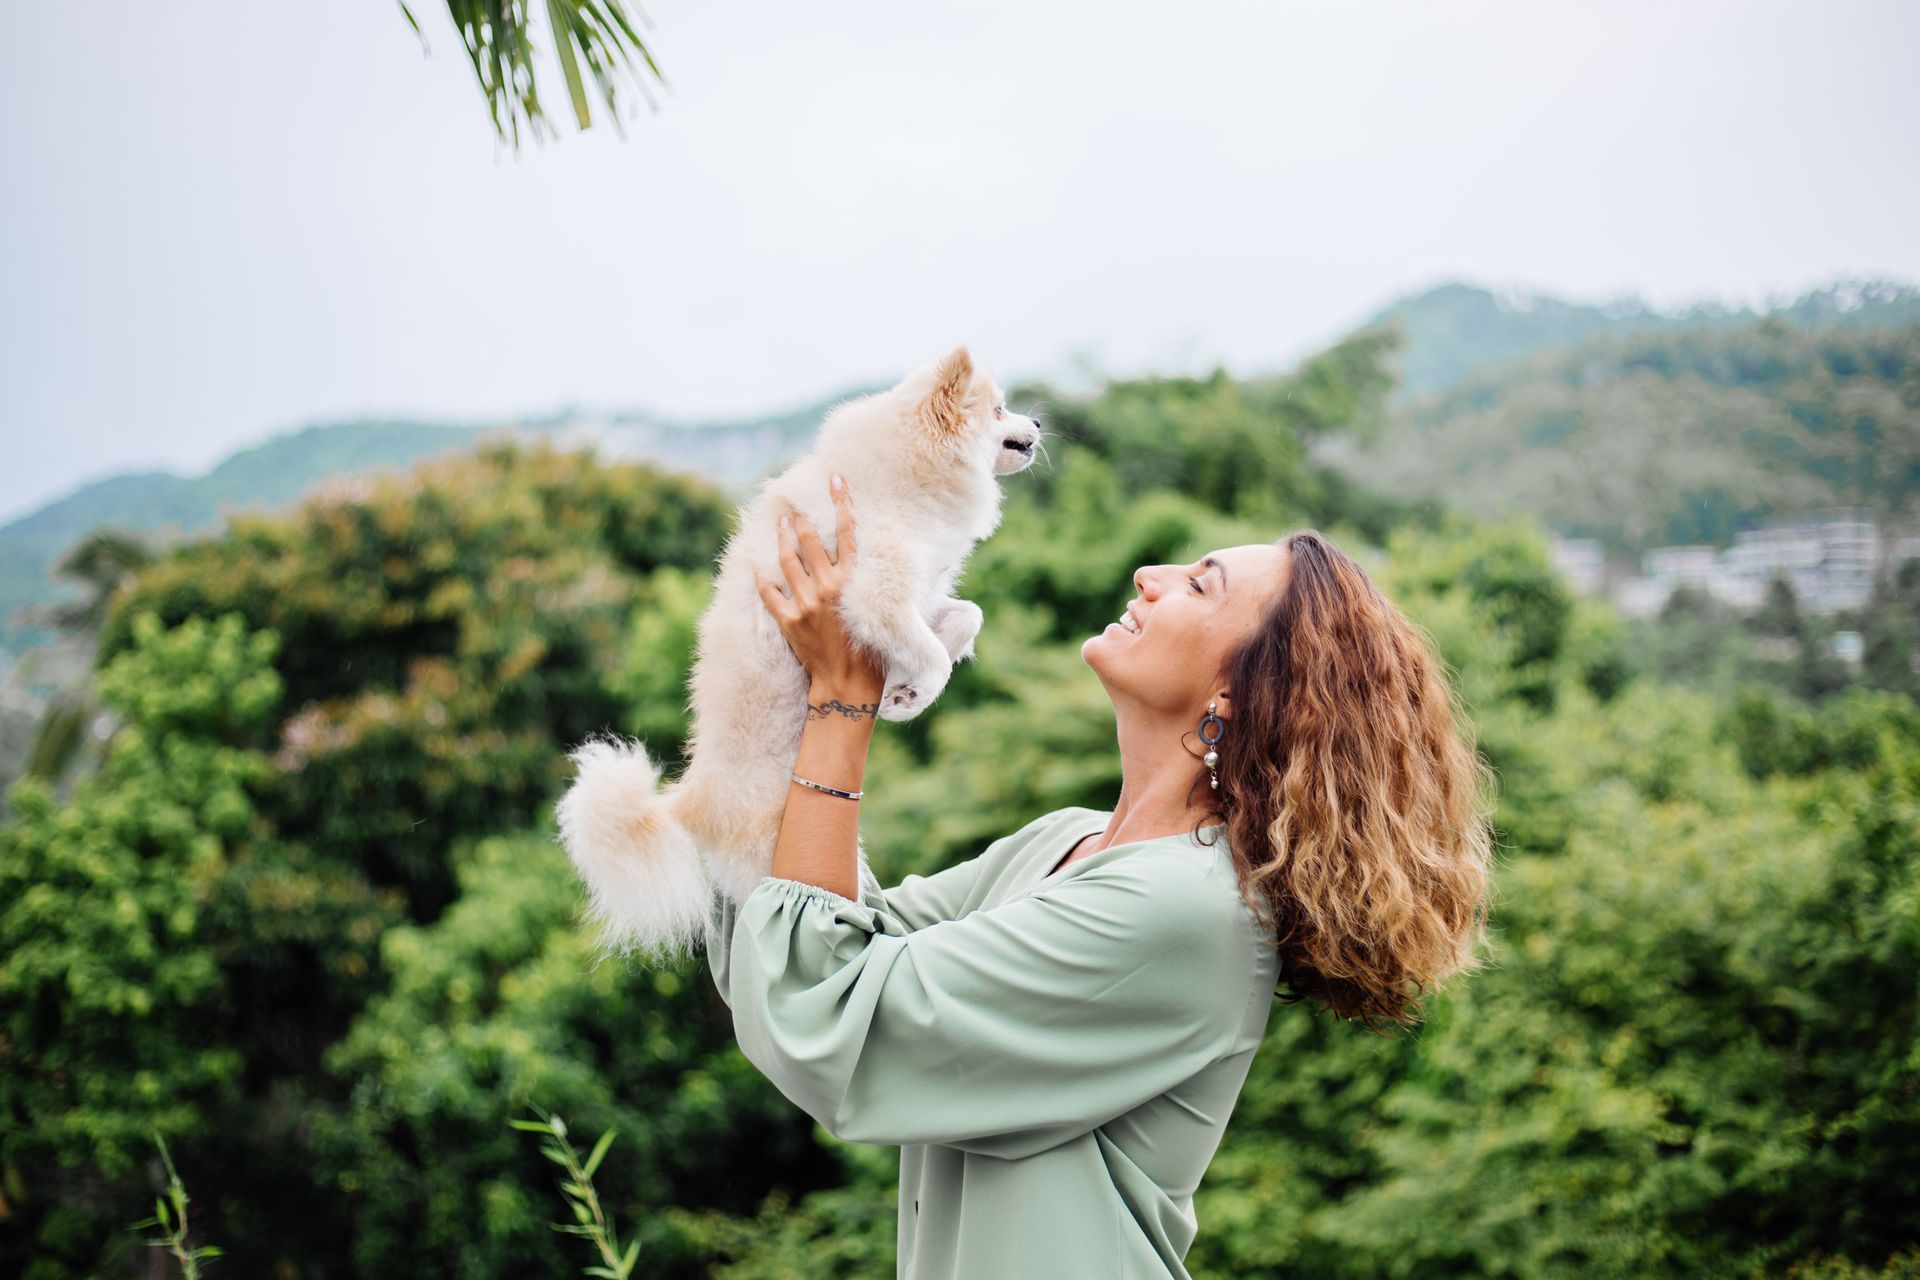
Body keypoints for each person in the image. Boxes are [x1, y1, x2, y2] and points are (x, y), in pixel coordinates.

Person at [712, 473, 1495, 1279]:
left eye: (1199, 583)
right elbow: (806, 932)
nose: (1148, 577)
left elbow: (829, 1011)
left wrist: (845, 696)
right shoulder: (1065, 844)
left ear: (1237, 689)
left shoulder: (1185, 912)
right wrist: (777, 673)